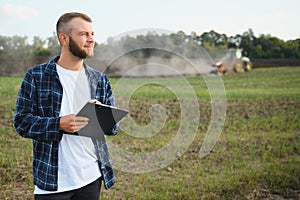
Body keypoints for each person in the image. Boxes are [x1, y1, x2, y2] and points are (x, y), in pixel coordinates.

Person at [14, 12, 119, 200]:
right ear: (64, 38)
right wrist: (58, 124)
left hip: (91, 177)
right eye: (84, 34)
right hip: (53, 181)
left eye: (92, 34)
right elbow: (22, 122)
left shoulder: (99, 79)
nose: (91, 39)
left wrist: (101, 114)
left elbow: (113, 128)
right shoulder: (36, 76)